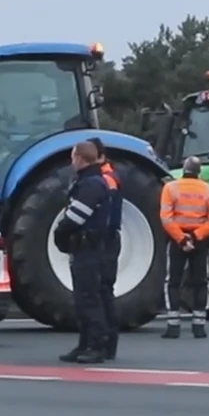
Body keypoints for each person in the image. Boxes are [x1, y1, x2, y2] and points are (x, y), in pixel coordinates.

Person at [51, 141, 116, 363]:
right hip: (85, 247)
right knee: (83, 299)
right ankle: (85, 344)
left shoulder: (91, 185)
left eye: (73, 157)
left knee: (89, 299)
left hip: (89, 247)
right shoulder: (89, 181)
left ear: (80, 158)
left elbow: (76, 217)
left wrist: (60, 234)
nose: (71, 161)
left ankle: (96, 346)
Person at [158, 156, 209, 339]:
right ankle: (199, 325)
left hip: (177, 240)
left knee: (173, 281)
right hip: (200, 240)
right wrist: (195, 236)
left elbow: (166, 218)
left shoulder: (170, 188)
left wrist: (181, 239)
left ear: (184, 169)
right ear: (199, 172)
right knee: (201, 281)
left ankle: (173, 325)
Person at [90, 138, 121, 360]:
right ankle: (108, 342)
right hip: (108, 239)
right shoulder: (108, 176)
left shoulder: (105, 180)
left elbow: (108, 214)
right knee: (103, 291)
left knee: (102, 291)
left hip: (105, 240)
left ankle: (106, 342)